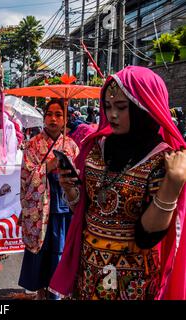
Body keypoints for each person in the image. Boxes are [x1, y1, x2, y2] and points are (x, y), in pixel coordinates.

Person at [50, 66, 186, 300]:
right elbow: (87, 209)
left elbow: (147, 237)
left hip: (132, 281)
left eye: (122, 108)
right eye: (108, 106)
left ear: (144, 107)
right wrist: (70, 189)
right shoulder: (96, 147)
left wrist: (171, 187)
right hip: (88, 271)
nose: (112, 115)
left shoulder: (163, 160)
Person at [19, 99, 79, 300]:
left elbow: (80, 175)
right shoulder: (33, 144)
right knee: (41, 252)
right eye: (50, 114)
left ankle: (58, 292)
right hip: (40, 207)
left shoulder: (71, 145)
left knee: (60, 251)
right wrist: (48, 166)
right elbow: (26, 176)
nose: (53, 119)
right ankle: (41, 291)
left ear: (65, 119)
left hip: (64, 206)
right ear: (44, 117)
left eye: (59, 114)